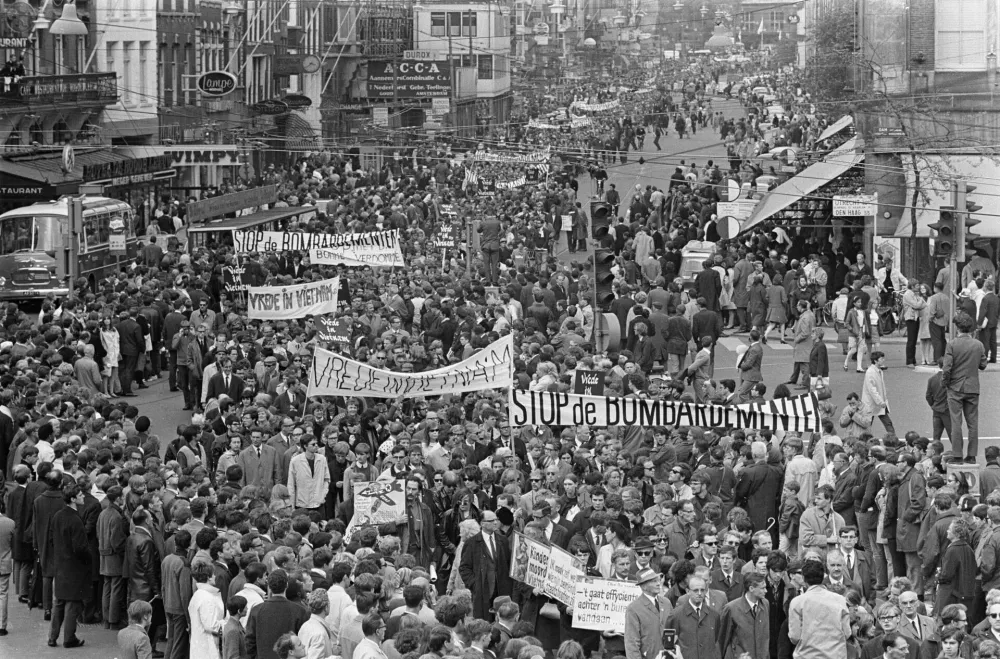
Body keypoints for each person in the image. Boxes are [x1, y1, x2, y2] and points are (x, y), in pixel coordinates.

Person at [48, 481, 91, 649]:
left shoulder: (58, 516)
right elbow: (80, 547)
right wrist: (88, 559)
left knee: (59, 603)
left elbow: (52, 539)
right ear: (73, 498)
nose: (82, 498)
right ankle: (69, 637)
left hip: (60, 565)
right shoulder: (76, 520)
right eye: (80, 495)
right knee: (73, 604)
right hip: (74, 567)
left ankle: (52, 637)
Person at [940, 311, 987, 463]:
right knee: (973, 423)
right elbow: (983, 365)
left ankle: (958, 454)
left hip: (955, 387)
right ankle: (972, 455)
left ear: (957, 328)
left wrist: (944, 383)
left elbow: (947, 368)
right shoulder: (978, 344)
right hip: (973, 387)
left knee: (956, 422)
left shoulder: (952, 344)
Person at [787, 559, 851, 657]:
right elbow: (847, 633)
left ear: (804, 578)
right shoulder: (840, 600)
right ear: (824, 576)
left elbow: (794, 637)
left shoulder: (797, 602)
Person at [459, 509, 512, 621]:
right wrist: (475, 585)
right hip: (482, 592)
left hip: (501, 590)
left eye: (496, 520)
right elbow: (464, 568)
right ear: (482, 523)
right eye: (491, 520)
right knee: (484, 624)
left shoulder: (503, 540)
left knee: (503, 620)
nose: (495, 522)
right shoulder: (472, 543)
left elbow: (508, 563)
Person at [246, 569, 309, 659]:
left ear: (269, 587)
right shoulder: (299, 611)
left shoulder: (256, 610)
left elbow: (249, 641)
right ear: (287, 585)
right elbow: (304, 641)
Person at [663, 574, 719, 659]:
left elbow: (717, 641)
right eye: (696, 590)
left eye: (702, 590)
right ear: (688, 591)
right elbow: (668, 645)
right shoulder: (675, 615)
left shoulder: (714, 615)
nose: (699, 593)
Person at [717, 572, 768, 659]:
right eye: (762, 588)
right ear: (751, 588)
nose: (766, 591)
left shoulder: (765, 604)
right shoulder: (731, 608)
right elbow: (722, 640)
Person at [188, 561, 225, 659]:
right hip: (208, 647)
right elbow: (212, 626)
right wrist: (227, 623)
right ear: (208, 577)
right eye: (213, 574)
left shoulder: (197, 595)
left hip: (200, 644)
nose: (214, 576)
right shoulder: (207, 598)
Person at [862, 351, 894, 435]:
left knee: (887, 423)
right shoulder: (870, 372)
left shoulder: (879, 371)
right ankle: (865, 441)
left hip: (879, 402)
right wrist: (880, 401)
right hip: (872, 403)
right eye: (881, 358)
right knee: (868, 424)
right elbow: (872, 389)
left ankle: (892, 438)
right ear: (876, 361)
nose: (883, 360)